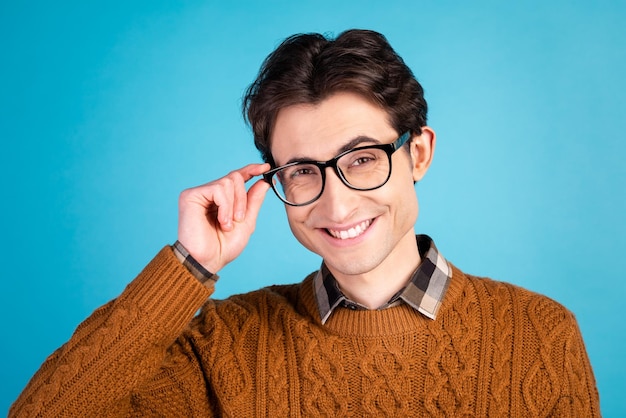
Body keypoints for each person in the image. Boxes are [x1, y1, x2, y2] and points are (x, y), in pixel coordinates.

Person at [10, 29, 600, 417]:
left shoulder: (537, 336)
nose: (337, 206)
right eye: (301, 171)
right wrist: (188, 268)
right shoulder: (224, 347)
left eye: (362, 159)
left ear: (417, 153)